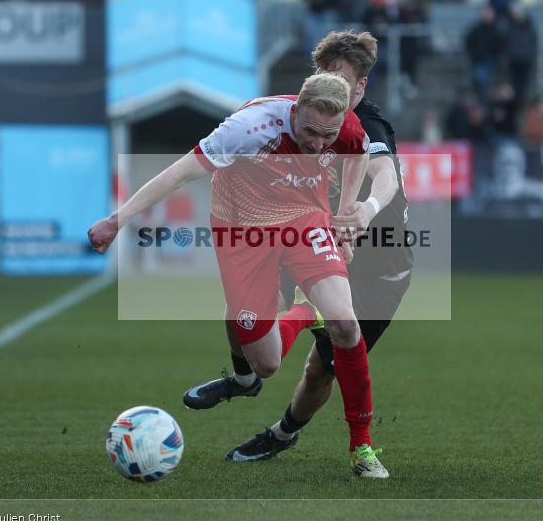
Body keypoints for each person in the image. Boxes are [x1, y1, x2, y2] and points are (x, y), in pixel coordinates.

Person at [88, 73, 382, 478]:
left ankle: (361, 446)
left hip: (304, 218)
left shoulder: (344, 125)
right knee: (266, 364)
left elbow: (358, 150)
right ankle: (294, 323)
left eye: (327, 136)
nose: (317, 145)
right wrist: (116, 219)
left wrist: (346, 213)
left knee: (347, 326)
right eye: (310, 132)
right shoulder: (248, 129)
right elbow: (178, 173)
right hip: (243, 230)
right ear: (296, 111)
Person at [183, 31, 412, 478]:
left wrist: (364, 209)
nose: (331, 88)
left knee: (321, 368)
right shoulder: (302, 117)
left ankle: (285, 434)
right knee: (245, 311)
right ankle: (245, 377)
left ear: (361, 88)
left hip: (378, 267)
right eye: (324, 76)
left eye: (343, 81)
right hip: (309, 241)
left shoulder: (367, 125)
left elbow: (386, 174)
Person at [465, 6, 502, 103]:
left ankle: (483, 103)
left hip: (490, 60)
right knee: (480, 81)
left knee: (484, 82)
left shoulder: (496, 29)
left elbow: (499, 45)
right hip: (478, 60)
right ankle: (482, 103)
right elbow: (468, 42)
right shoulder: (476, 29)